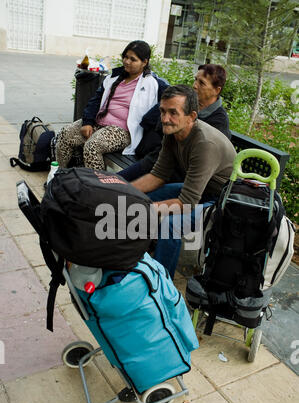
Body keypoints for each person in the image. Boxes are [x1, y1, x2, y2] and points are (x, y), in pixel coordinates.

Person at [131, 84, 237, 279]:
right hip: (199, 191)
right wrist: (123, 192)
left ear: (192, 116)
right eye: (162, 111)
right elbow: (157, 176)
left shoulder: (205, 144)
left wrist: (145, 208)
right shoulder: (172, 132)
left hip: (223, 204)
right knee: (138, 197)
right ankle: (134, 260)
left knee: (171, 224)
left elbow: (186, 203)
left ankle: (161, 285)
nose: (164, 119)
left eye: (173, 113)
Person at [56, 40, 169, 170]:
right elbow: (95, 100)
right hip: (99, 122)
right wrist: (87, 122)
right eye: (125, 57)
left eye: (133, 59)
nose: (127, 61)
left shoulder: (152, 83)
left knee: (92, 146)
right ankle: (61, 174)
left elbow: (170, 98)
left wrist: (146, 122)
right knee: (65, 133)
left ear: (145, 62)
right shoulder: (114, 78)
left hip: (122, 130)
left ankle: (97, 187)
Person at [118, 63, 231, 182]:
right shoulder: (187, 103)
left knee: (125, 188)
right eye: (195, 80)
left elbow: (204, 160)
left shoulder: (219, 122)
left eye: (201, 83)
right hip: (159, 159)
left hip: (181, 175)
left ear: (216, 90)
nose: (195, 86)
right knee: (116, 181)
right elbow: (152, 120)